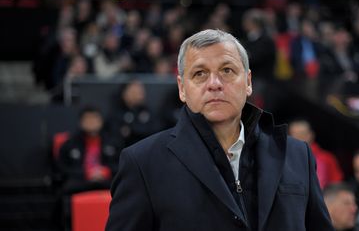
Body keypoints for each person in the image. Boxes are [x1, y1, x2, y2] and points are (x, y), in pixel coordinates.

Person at [106, 29, 334, 231]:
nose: (214, 83)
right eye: (200, 74)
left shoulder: (298, 155)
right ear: (182, 88)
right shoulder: (142, 163)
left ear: (248, 82)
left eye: (227, 70)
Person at [57, 106, 122, 194]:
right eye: (87, 119)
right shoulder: (69, 144)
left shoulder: (114, 142)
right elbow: (62, 167)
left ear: (101, 121)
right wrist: (86, 173)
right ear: (80, 122)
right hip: (80, 180)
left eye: (94, 118)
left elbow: (122, 165)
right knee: (66, 188)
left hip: (107, 180)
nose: (91, 122)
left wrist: (106, 171)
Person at [288, 118, 344, 189]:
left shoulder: (327, 158)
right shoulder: (283, 159)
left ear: (311, 135)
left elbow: (337, 185)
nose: (298, 138)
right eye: (295, 135)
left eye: (302, 134)